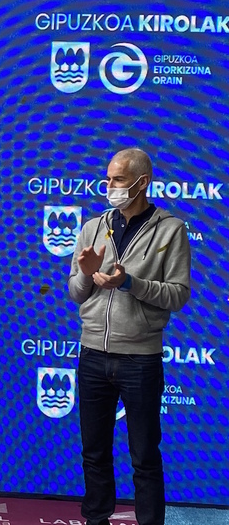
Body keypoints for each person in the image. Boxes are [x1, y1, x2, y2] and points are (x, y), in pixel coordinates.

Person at [68, 148, 191, 525]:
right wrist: (87, 274)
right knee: (94, 453)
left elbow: (178, 295)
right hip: (92, 355)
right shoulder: (92, 227)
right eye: (108, 179)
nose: (110, 187)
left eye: (118, 180)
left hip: (140, 360)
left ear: (142, 182)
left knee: (144, 456)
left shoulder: (171, 229)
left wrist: (130, 283)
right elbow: (75, 292)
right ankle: (96, 519)